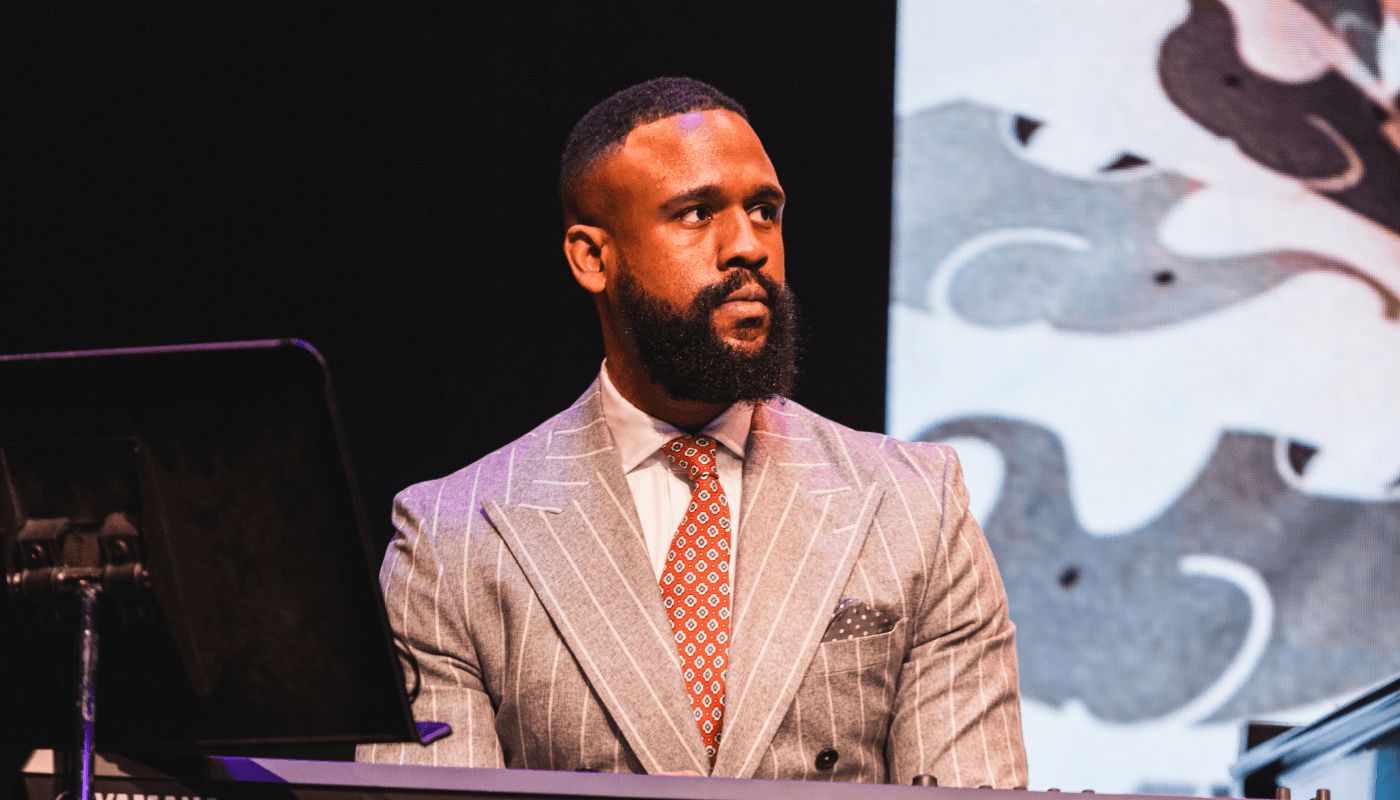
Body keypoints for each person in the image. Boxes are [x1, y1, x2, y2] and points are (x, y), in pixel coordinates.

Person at [357, 77, 1027, 786]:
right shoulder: (452, 540)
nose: (748, 247)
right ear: (593, 256)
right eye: (696, 213)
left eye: (765, 211)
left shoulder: (916, 506)